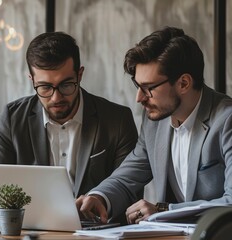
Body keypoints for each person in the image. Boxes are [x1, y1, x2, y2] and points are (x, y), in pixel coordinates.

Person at [76, 26, 232, 225]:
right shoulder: (154, 121)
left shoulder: (227, 120)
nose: (139, 98)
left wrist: (163, 210)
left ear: (184, 83)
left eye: (148, 88)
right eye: (137, 85)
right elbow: (128, 176)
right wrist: (98, 197)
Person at [0, 32, 138, 216]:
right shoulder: (11, 120)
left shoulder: (117, 120)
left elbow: (130, 190)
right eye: (45, 87)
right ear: (32, 80)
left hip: (96, 231)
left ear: (80, 74)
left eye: (66, 84)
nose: (56, 97)